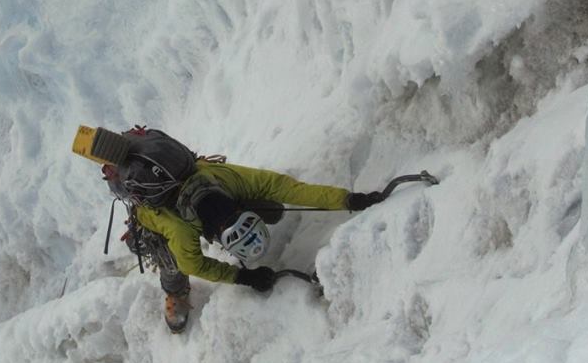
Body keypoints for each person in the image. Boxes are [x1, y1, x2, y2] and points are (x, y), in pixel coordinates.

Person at [73, 125, 432, 333]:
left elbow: (291, 190)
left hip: (193, 185)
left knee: (271, 204)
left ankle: (259, 217)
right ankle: (175, 294)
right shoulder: (181, 231)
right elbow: (198, 266)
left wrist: (352, 200)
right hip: (157, 219)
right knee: (172, 261)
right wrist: (243, 278)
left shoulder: (229, 180)